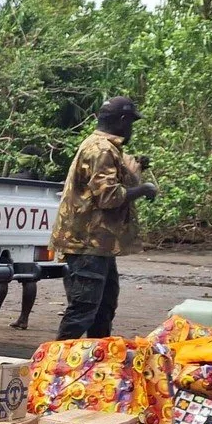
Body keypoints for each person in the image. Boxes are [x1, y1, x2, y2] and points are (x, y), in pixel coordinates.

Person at [50, 96, 159, 340]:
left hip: (99, 245)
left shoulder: (107, 148)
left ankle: (98, 364)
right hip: (87, 243)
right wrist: (144, 189)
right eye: (130, 123)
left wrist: (133, 170)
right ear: (122, 121)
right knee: (83, 310)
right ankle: (53, 367)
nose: (131, 129)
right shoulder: (101, 149)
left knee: (103, 309)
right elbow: (109, 197)